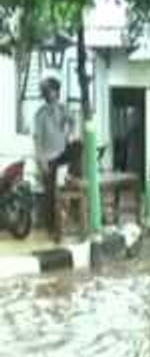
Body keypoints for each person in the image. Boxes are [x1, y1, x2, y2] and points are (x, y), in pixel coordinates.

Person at [33, 77, 74, 240]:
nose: (50, 93)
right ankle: (52, 228)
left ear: (57, 92)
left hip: (62, 156)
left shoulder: (63, 109)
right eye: (47, 90)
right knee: (50, 195)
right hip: (48, 159)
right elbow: (36, 139)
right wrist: (41, 160)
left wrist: (68, 133)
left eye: (52, 90)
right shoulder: (40, 114)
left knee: (64, 191)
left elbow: (72, 122)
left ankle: (64, 222)